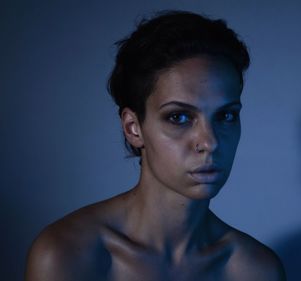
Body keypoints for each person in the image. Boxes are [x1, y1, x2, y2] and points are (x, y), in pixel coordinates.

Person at [25, 10, 286, 281]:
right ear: (133, 128)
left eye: (226, 116)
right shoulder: (68, 254)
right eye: (179, 117)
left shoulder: (253, 269)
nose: (210, 142)